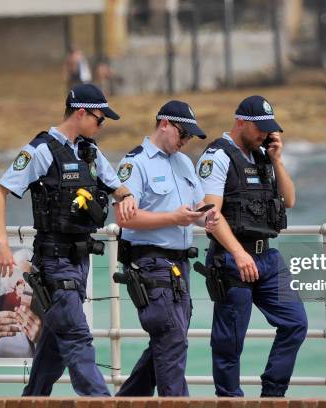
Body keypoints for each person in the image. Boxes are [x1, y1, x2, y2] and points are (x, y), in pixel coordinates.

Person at [0, 83, 137, 396]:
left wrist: (127, 198)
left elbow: (117, 187)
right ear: (81, 112)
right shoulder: (43, 150)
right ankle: (101, 402)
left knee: (55, 350)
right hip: (55, 263)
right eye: (100, 119)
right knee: (78, 338)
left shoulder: (89, 151)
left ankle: (31, 400)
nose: (102, 125)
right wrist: (3, 244)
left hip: (79, 260)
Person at [196, 95, 307, 397]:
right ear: (240, 122)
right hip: (232, 259)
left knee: (296, 323)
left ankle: (272, 396)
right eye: (260, 128)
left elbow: (290, 200)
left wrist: (276, 159)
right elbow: (210, 213)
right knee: (229, 343)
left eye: (269, 129)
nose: (265, 134)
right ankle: (230, 400)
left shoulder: (263, 156)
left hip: (267, 257)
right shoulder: (216, 157)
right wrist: (237, 253)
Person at [114, 100, 219, 396]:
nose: (185, 142)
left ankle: (124, 403)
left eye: (189, 138)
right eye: (182, 134)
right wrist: (174, 218)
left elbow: (197, 209)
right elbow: (124, 216)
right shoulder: (134, 164)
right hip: (150, 264)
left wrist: (206, 218)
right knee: (172, 339)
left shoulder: (184, 163)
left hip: (180, 267)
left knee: (169, 341)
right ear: (164, 124)